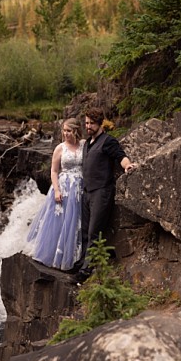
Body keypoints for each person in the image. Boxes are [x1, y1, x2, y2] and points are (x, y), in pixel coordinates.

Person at [75, 107, 136, 282]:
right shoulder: (87, 143)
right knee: (85, 231)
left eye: (91, 123)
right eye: (86, 123)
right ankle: (81, 262)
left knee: (94, 231)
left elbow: (120, 156)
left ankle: (86, 271)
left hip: (101, 192)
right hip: (87, 192)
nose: (88, 126)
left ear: (100, 123)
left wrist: (127, 166)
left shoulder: (108, 141)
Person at [25, 118, 85, 271]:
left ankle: (71, 257)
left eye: (68, 131)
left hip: (79, 187)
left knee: (73, 223)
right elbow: (54, 171)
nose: (65, 133)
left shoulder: (84, 145)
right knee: (58, 221)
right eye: (64, 130)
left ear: (76, 131)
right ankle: (51, 255)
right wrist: (57, 190)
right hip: (63, 186)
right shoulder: (60, 148)